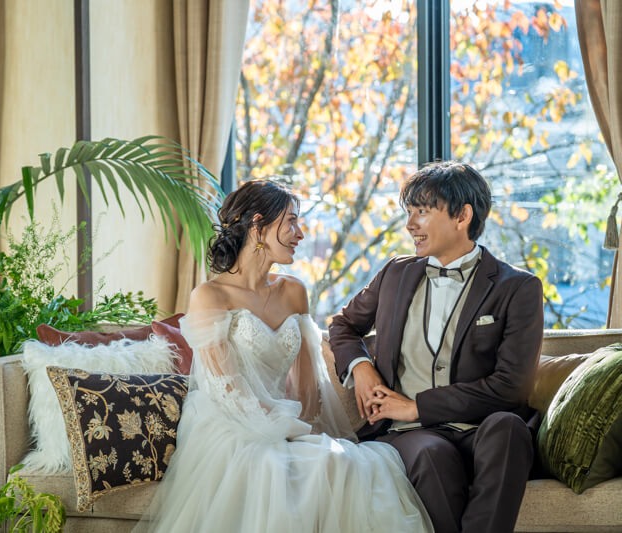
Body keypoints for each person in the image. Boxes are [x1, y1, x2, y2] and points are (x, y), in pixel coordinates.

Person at [134, 179, 432, 533]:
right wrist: (282, 428)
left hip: (285, 419)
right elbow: (228, 390)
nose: (300, 234)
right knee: (272, 468)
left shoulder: (294, 291)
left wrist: (303, 428)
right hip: (230, 425)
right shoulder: (210, 296)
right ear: (258, 226)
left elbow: (307, 387)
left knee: (341, 463)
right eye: (291, 222)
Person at [328, 161, 544, 533]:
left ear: (462, 216)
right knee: (431, 455)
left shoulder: (518, 288)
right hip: (411, 435)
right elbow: (343, 325)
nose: (410, 224)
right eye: (409, 212)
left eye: (423, 212)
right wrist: (361, 368)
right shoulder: (395, 273)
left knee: (510, 428)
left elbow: (511, 387)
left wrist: (416, 406)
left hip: (481, 428)